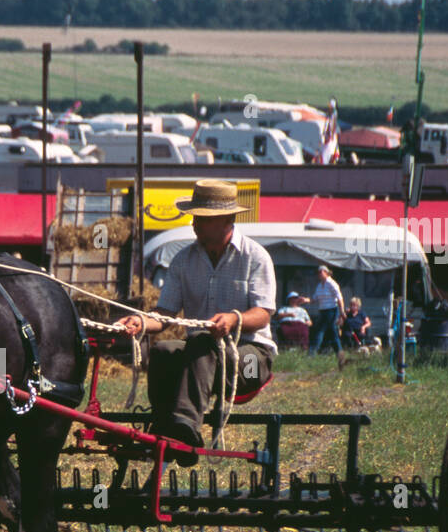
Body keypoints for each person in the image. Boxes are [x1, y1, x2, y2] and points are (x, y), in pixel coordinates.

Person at [116, 179, 276, 467]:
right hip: (200, 359)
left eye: (202, 218)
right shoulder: (182, 261)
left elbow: (264, 313)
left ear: (227, 219)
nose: (194, 224)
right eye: (195, 217)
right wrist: (140, 321)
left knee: (202, 342)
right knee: (165, 351)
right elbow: (163, 315)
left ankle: (184, 430)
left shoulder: (256, 257)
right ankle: (164, 426)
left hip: (250, 359)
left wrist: (234, 319)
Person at [307, 265, 346, 365]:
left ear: (326, 272)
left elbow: (339, 298)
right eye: (318, 273)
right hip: (323, 310)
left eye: (321, 272)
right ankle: (340, 354)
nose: (319, 274)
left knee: (320, 331)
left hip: (331, 310)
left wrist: (342, 312)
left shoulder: (332, 284)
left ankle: (312, 353)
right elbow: (315, 298)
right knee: (333, 333)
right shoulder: (320, 285)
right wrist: (305, 300)